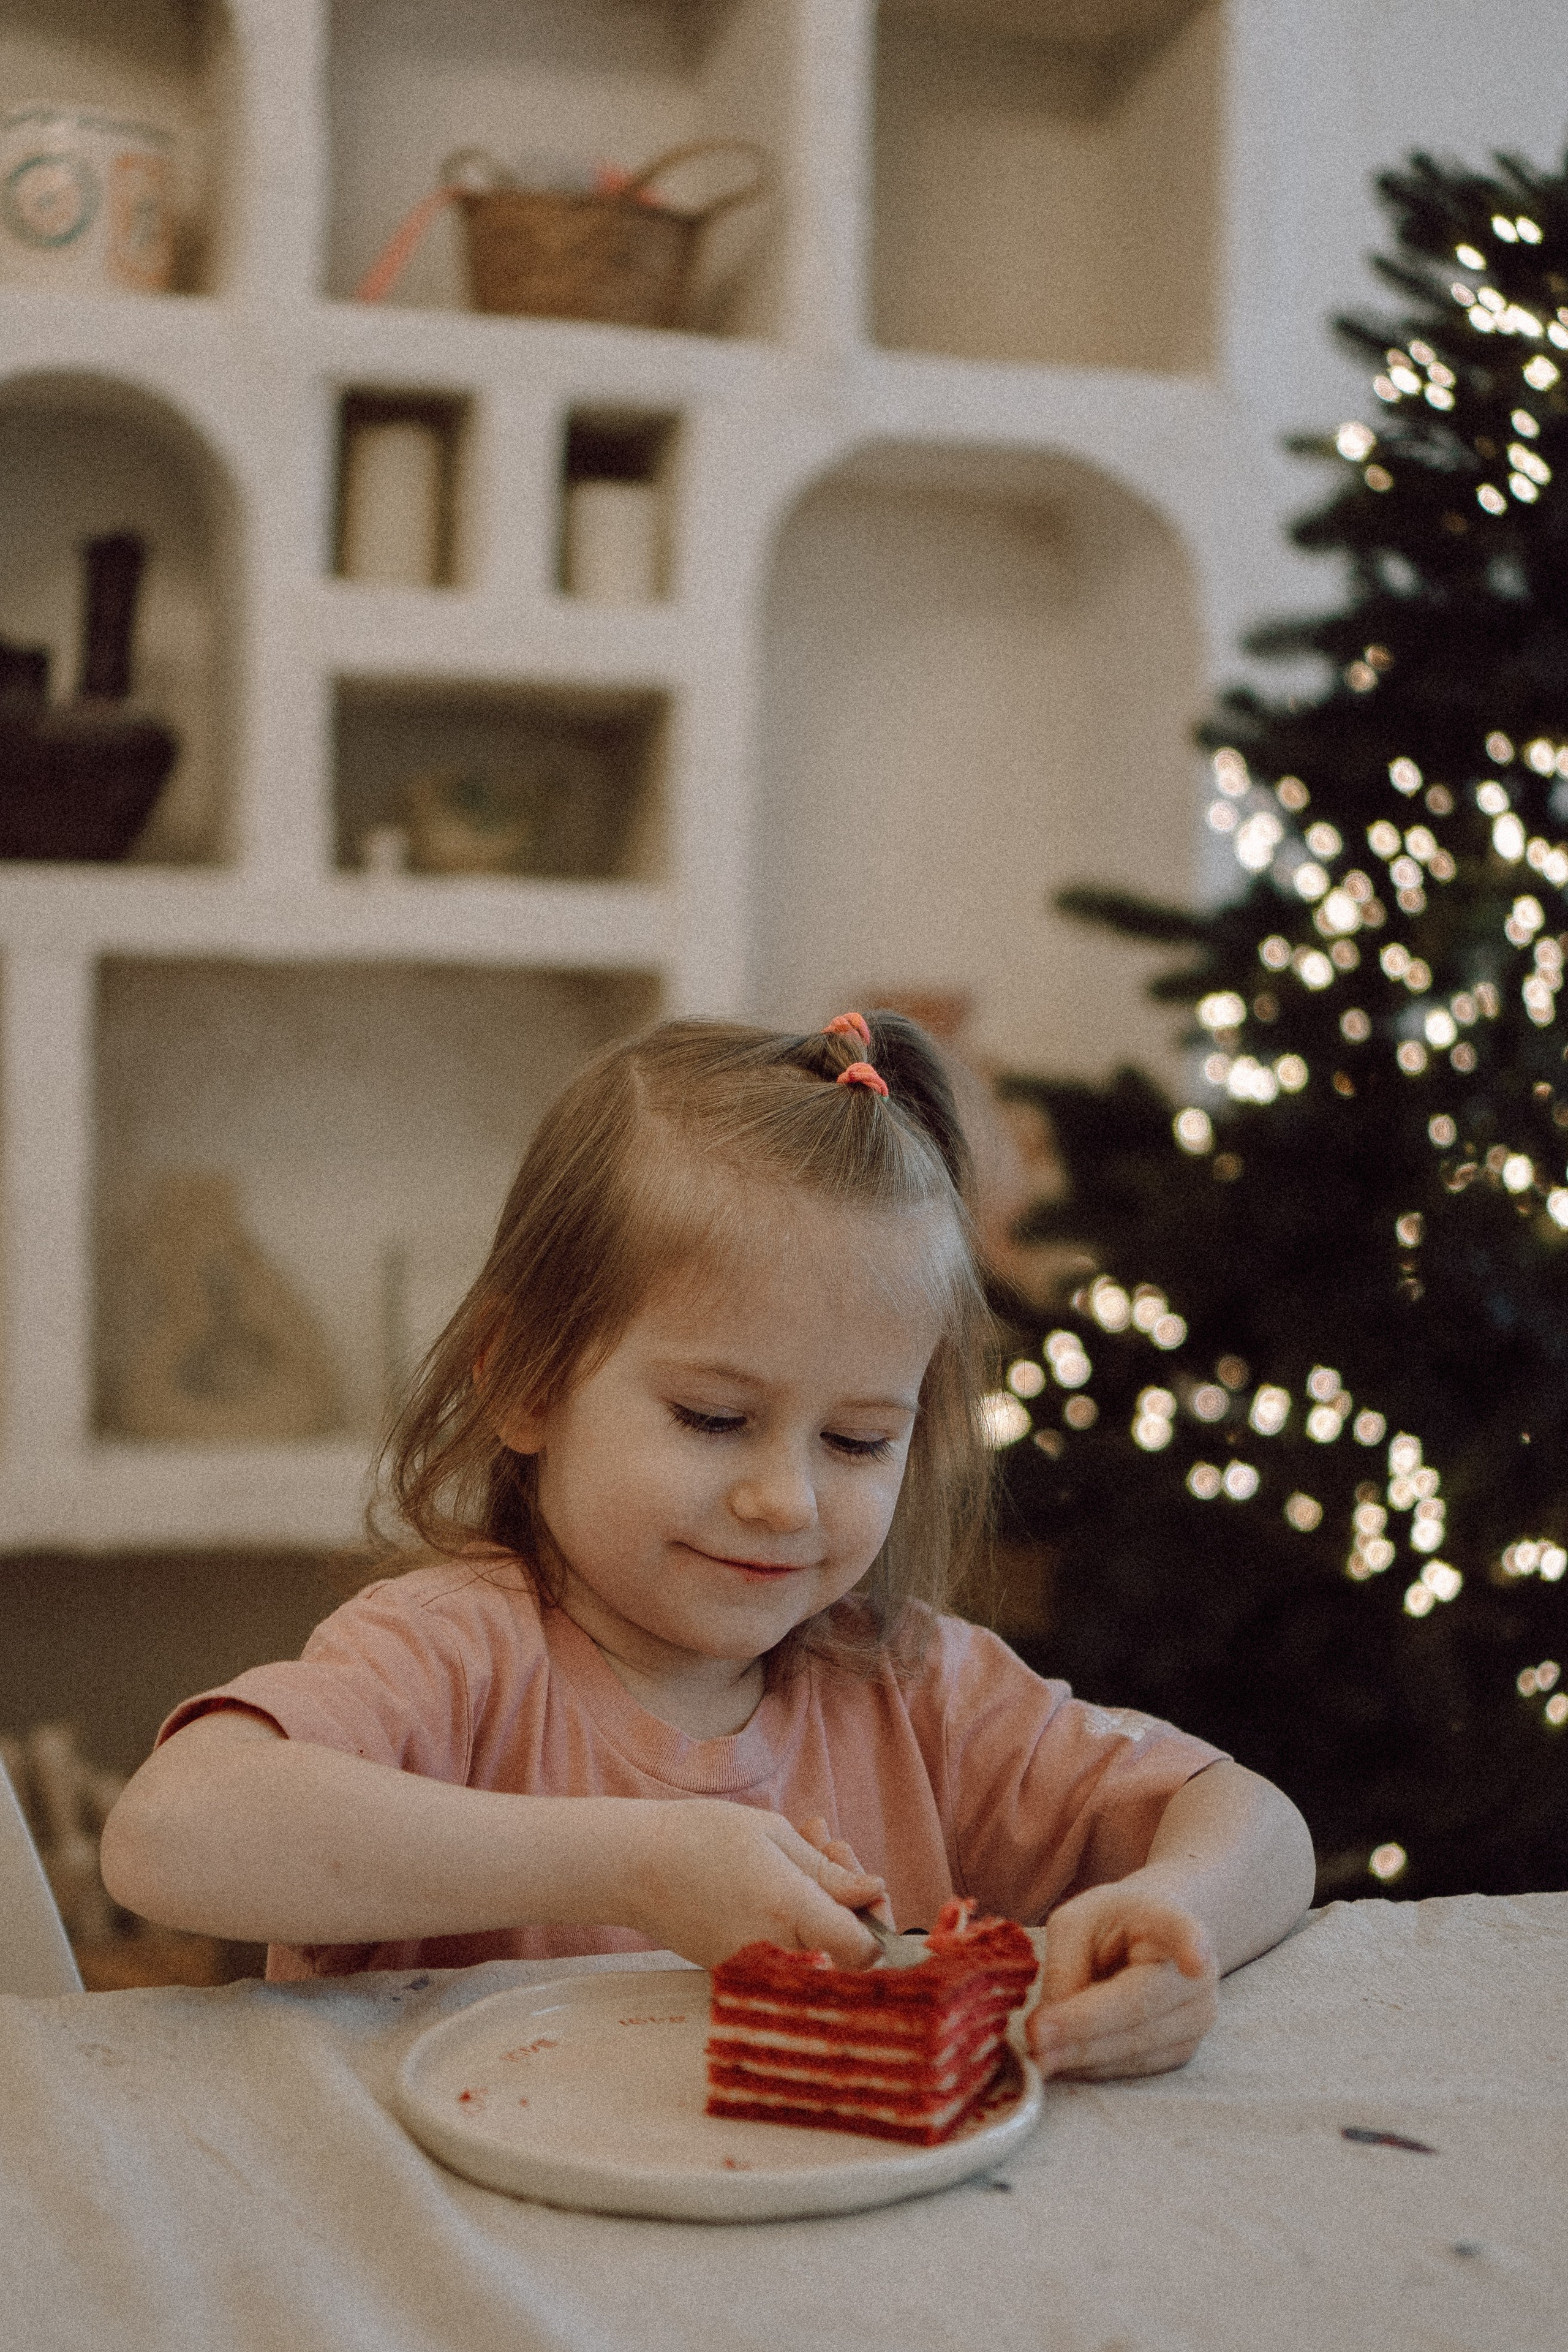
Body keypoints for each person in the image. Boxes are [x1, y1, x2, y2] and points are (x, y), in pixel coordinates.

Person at [103, 1012, 1314, 2081]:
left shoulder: (911, 1688)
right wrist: (635, 1865)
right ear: (525, 1381)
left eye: (854, 1440)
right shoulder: (453, 1651)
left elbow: (1251, 1819)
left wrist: (1167, 1917)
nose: (784, 1499)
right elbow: (172, 1833)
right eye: (714, 1419)